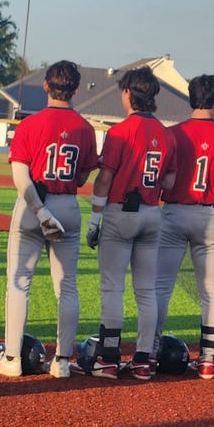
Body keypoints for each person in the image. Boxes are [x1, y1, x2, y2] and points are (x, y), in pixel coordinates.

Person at [0, 61, 98, 378]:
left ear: (46, 85)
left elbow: (21, 177)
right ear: (76, 90)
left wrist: (39, 211)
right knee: (67, 287)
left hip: (34, 205)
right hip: (67, 205)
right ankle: (62, 362)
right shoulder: (85, 128)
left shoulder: (30, 124)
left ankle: (11, 359)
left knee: (19, 284)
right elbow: (83, 175)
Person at [77, 66, 175, 380]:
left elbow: (104, 179)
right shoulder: (167, 134)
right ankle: (144, 359)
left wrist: (94, 220)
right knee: (146, 290)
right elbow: (169, 182)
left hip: (121, 211)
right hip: (151, 212)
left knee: (112, 288)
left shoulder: (120, 131)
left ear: (129, 93)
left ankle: (108, 358)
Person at [154, 74, 214, 380]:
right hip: (210, 215)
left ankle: (149, 352)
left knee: (161, 287)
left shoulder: (172, 134)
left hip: (175, 212)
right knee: (212, 291)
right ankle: (208, 359)